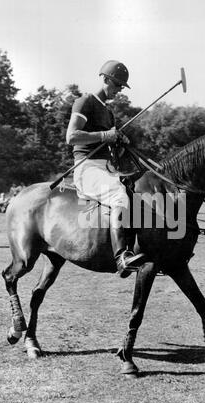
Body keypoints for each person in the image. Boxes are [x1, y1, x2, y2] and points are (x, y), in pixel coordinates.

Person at [66, 60, 145, 278]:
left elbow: (109, 148)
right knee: (119, 195)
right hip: (86, 167)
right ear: (106, 79)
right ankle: (121, 256)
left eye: (122, 86)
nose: (120, 90)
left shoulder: (108, 113)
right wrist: (104, 135)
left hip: (106, 167)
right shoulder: (85, 102)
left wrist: (119, 142)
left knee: (137, 191)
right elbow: (71, 137)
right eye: (118, 84)